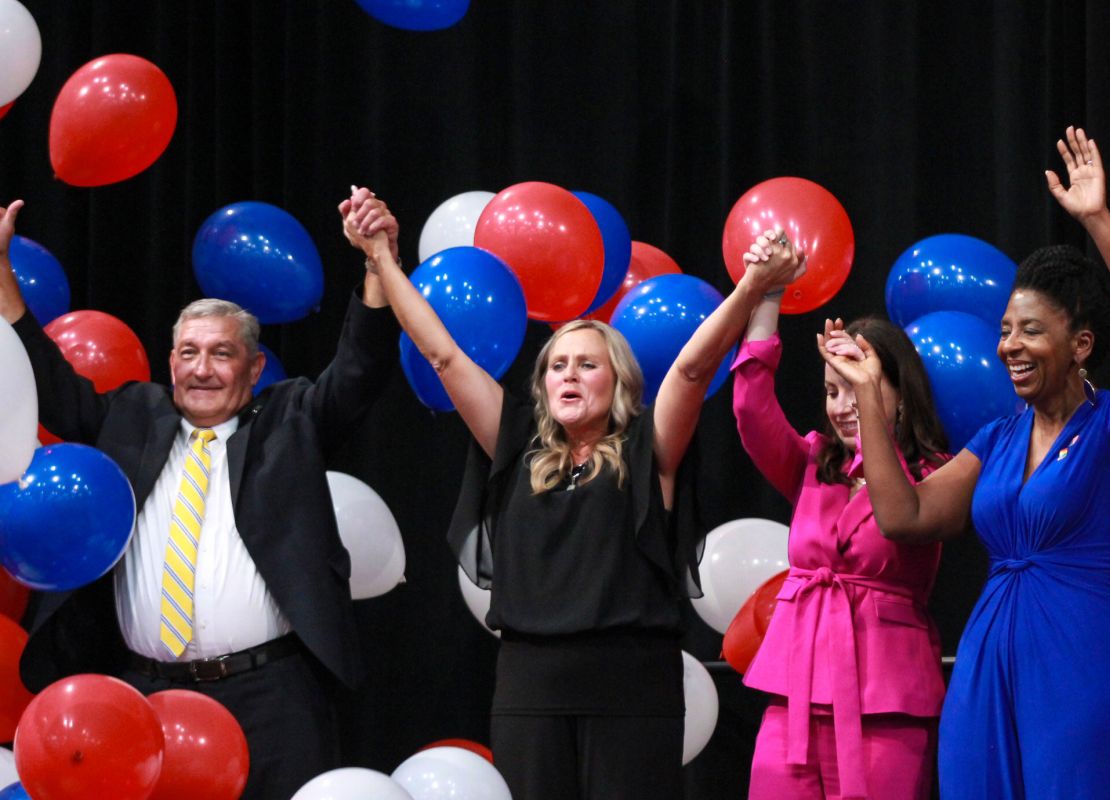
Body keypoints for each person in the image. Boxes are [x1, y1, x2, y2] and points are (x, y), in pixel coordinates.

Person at [340, 186, 803, 799]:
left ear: (618, 383)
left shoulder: (649, 449)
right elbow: (443, 354)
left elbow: (692, 369)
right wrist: (380, 257)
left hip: (633, 687)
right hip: (531, 686)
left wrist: (753, 287)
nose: (568, 375)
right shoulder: (515, 444)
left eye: (587, 364)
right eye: (557, 365)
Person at [821, 126, 1110, 799]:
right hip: (988, 667)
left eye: (1031, 331)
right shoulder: (997, 437)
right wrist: (871, 396)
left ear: (1080, 344)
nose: (1008, 346)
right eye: (1004, 330)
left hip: (1083, 664)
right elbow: (905, 516)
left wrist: (1097, 219)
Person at [0, 198, 401, 799]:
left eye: (222, 353)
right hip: (144, 700)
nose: (203, 370)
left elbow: (358, 372)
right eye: (189, 353)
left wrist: (377, 265)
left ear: (254, 365)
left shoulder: (289, 420)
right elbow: (49, 384)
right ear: (171, 362)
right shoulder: (132, 417)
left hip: (272, 702)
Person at [732, 236, 949, 799]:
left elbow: (902, 510)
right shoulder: (813, 462)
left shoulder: (935, 474)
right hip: (795, 696)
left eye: (858, 386)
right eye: (833, 391)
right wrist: (769, 296)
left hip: (887, 702)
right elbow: (750, 410)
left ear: (900, 392)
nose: (843, 404)